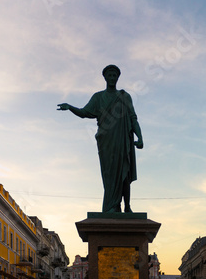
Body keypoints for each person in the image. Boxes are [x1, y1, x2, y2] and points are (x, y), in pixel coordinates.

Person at [57, 65, 143, 213]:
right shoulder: (98, 97)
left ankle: (127, 206)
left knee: (124, 171)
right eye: (109, 75)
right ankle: (112, 206)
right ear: (105, 77)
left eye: (114, 75)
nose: (112, 78)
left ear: (117, 77)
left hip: (122, 140)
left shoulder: (125, 96)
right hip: (106, 142)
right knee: (109, 175)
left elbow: (133, 118)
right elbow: (84, 112)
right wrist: (70, 107)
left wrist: (140, 137)